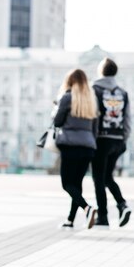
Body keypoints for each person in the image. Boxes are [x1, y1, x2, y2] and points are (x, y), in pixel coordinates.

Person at [53, 69, 99, 229]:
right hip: (88, 147)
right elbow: (95, 129)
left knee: (67, 184)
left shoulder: (67, 98)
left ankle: (87, 208)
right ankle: (70, 221)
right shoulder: (91, 101)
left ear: (70, 82)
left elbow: (57, 122)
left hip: (70, 145)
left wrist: (57, 107)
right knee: (77, 184)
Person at [91, 58, 131, 227]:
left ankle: (103, 217)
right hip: (118, 140)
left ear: (101, 71)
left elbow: (92, 116)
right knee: (108, 176)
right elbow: (128, 119)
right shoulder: (122, 93)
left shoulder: (95, 89)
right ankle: (122, 204)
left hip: (100, 140)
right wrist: (123, 139)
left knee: (98, 179)